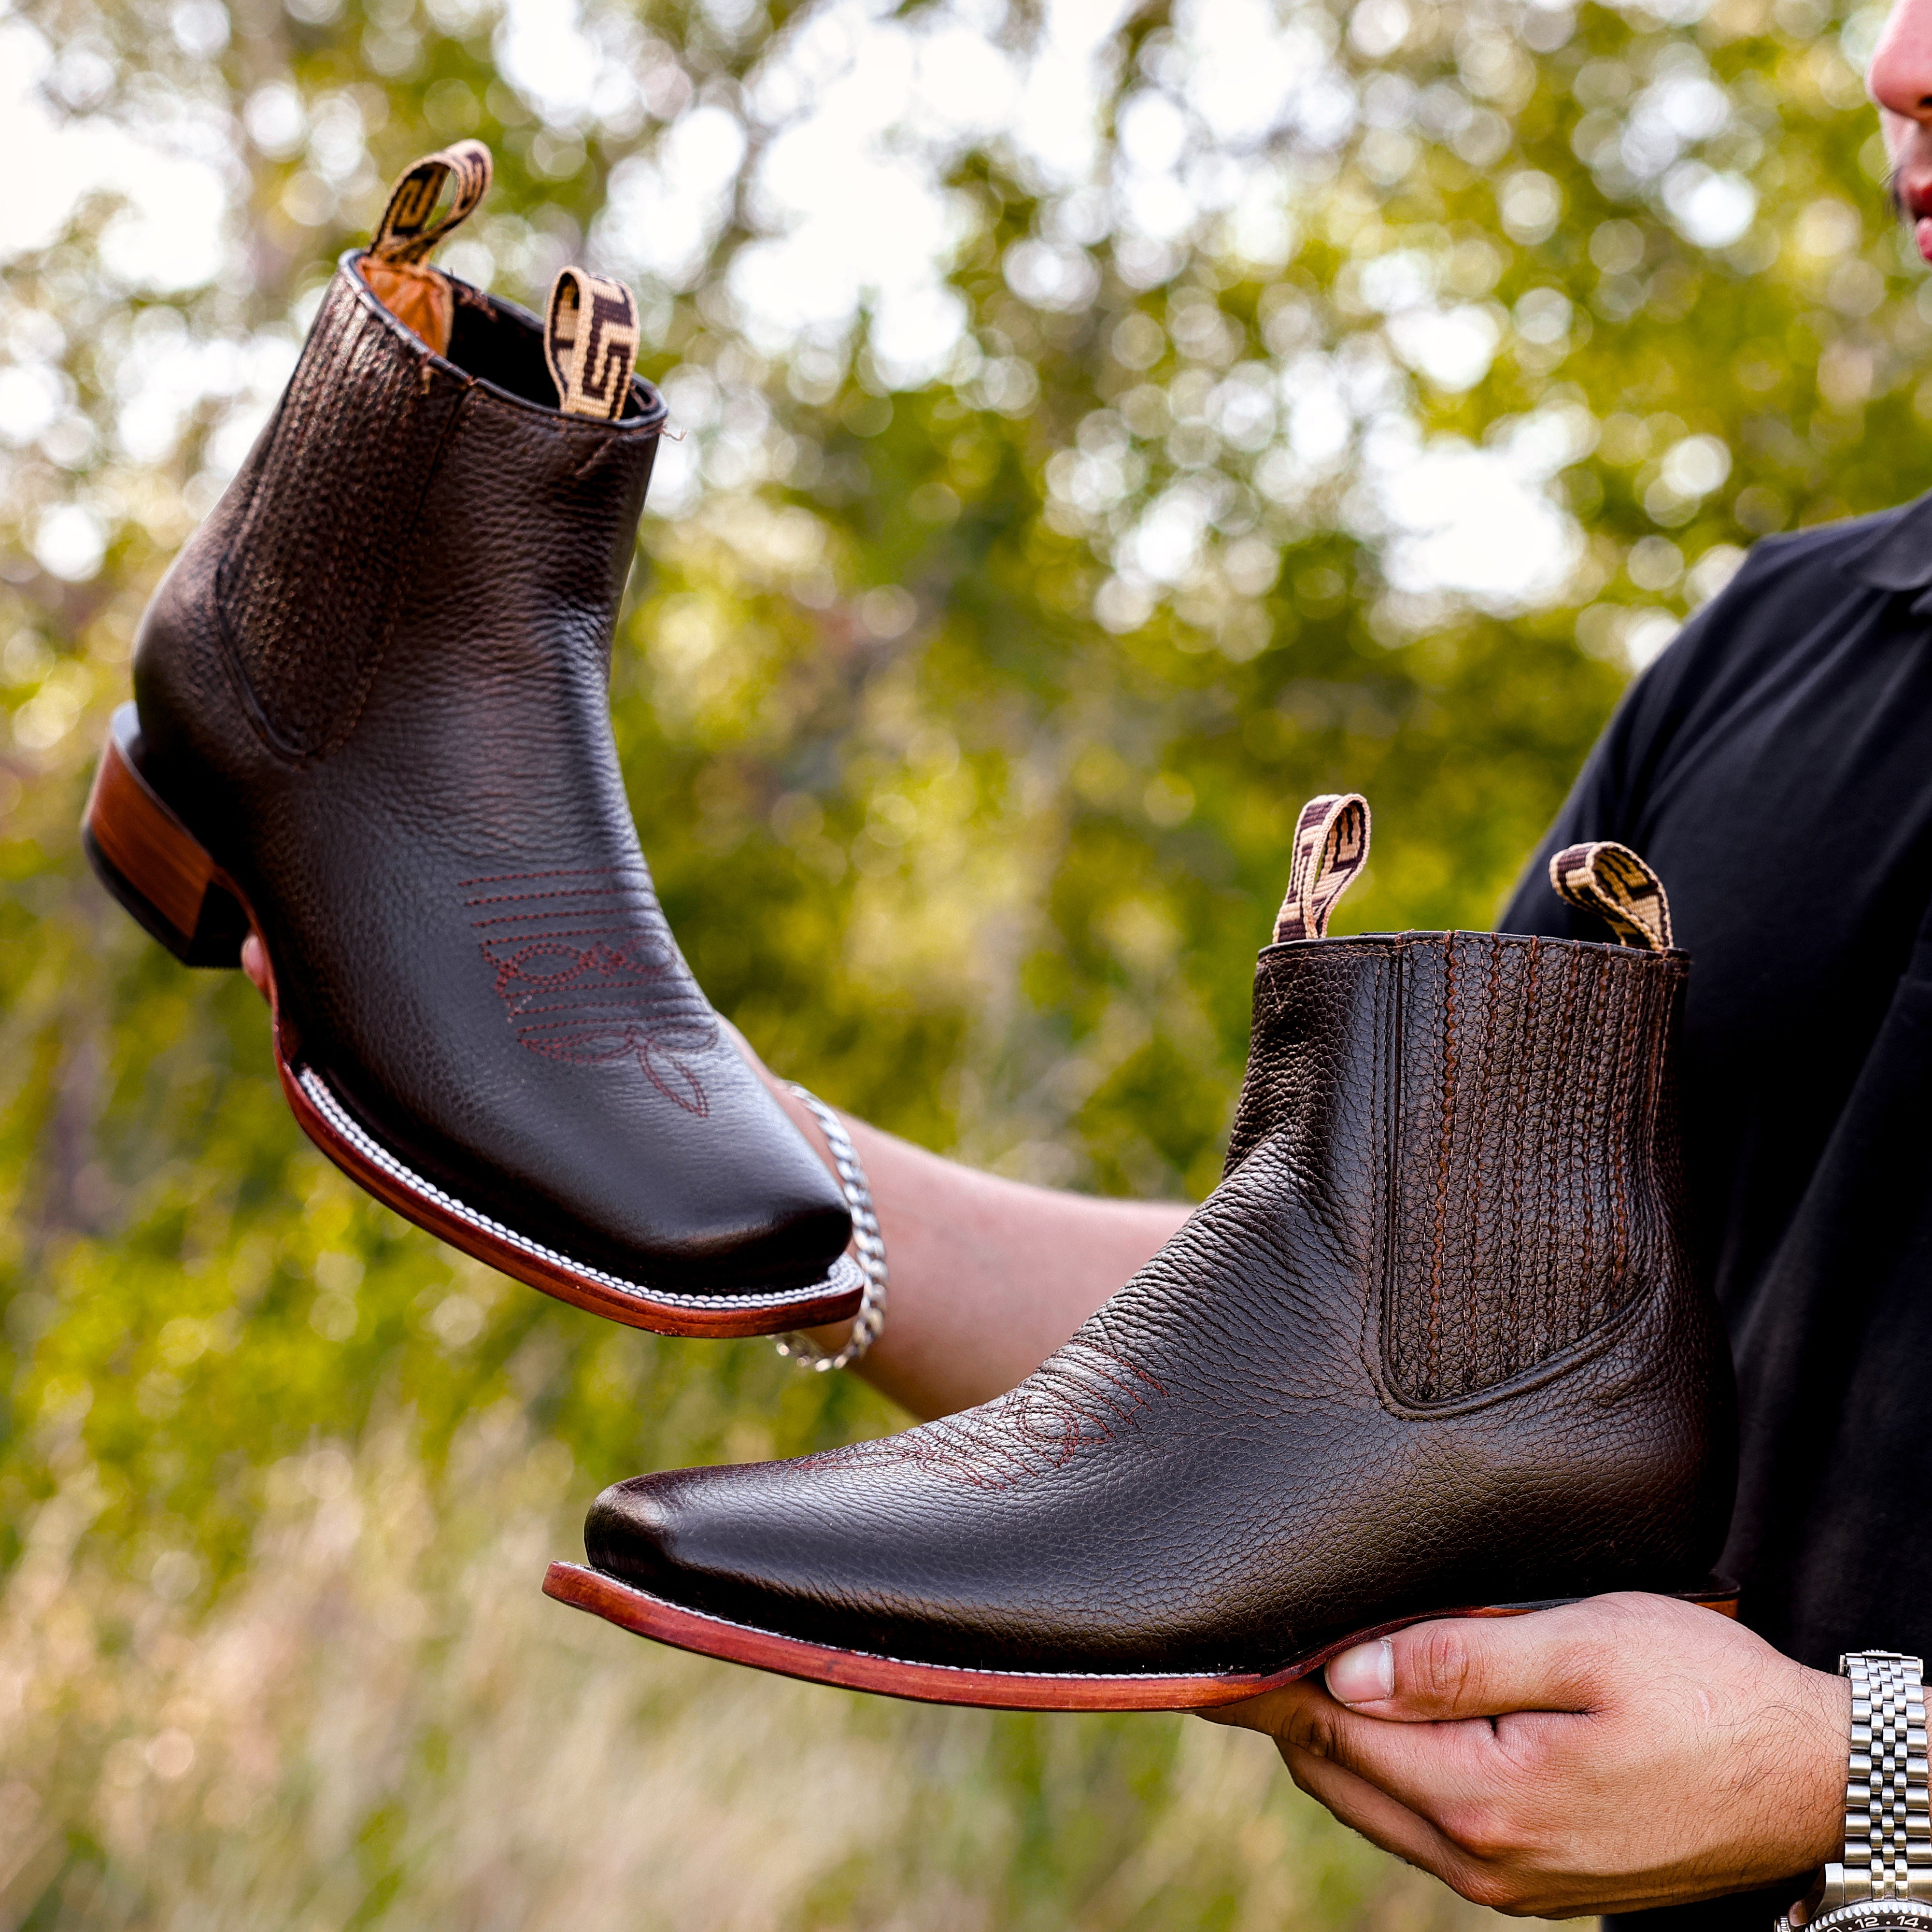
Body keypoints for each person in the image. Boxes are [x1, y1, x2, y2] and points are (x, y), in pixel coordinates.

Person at [241, 0, 1932, 1912]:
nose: (1896, 61)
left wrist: (1862, 1775)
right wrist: (676, 1126)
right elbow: (1395, 1354)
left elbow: (1831, 1751)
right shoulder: (1801, 640)